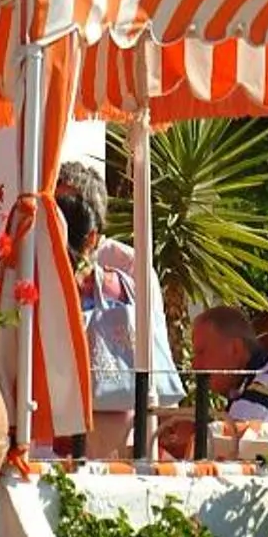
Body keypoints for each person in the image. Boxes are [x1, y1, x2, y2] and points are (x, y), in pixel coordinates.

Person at [52, 158, 184, 459]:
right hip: (60, 416)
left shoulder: (125, 265)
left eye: (67, 209)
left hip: (119, 424)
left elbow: (152, 336)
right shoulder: (41, 260)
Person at [188, 304, 268, 435]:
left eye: (201, 352)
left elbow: (230, 441)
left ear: (235, 349)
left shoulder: (265, 382)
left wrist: (188, 434)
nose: (195, 365)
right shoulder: (259, 375)